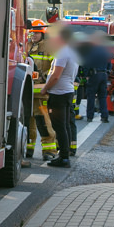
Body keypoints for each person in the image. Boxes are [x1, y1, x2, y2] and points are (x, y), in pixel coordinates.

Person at [40, 26, 79, 168]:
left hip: (59, 94)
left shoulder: (63, 53)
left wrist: (45, 88)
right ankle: (64, 155)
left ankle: (63, 158)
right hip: (66, 92)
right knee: (65, 125)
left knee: (59, 126)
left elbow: (56, 76)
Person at [26, 20, 57, 163]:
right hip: (26, 91)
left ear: (43, 34)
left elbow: (54, 67)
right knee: (27, 121)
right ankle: (28, 148)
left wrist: (44, 78)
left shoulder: (49, 47)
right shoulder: (26, 45)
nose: (33, 35)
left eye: (36, 33)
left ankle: (49, 150)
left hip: (40, 91)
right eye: (31, 32)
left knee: (43, 121)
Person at [80, 32, 112, 123]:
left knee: (91, 96)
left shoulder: (91, 50)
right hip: (104, 75)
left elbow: (87, 64)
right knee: (102, 96)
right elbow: (110, 64)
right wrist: (107, 73)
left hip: (94, 75)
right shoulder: (105, 50)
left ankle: (90, 116)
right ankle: (104, 116)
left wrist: (86, 75)